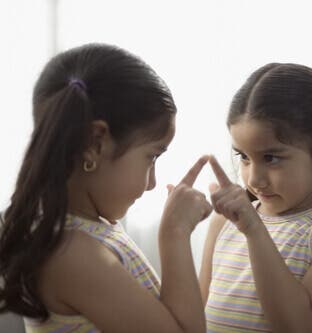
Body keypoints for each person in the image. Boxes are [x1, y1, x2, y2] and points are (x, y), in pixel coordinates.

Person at [0, 43, 212, 333]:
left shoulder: (91, 230)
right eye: (151, 157)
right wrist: (174, 233)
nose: (151, 183)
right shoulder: (71, 254)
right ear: (94, 144)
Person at [200, 63, 312, 332]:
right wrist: (177, 233)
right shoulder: (223, 222)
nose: (253, 179)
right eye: (244, 157)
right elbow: (196, 316)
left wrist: (254, 230)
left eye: (271, 158)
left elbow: (298, 325)